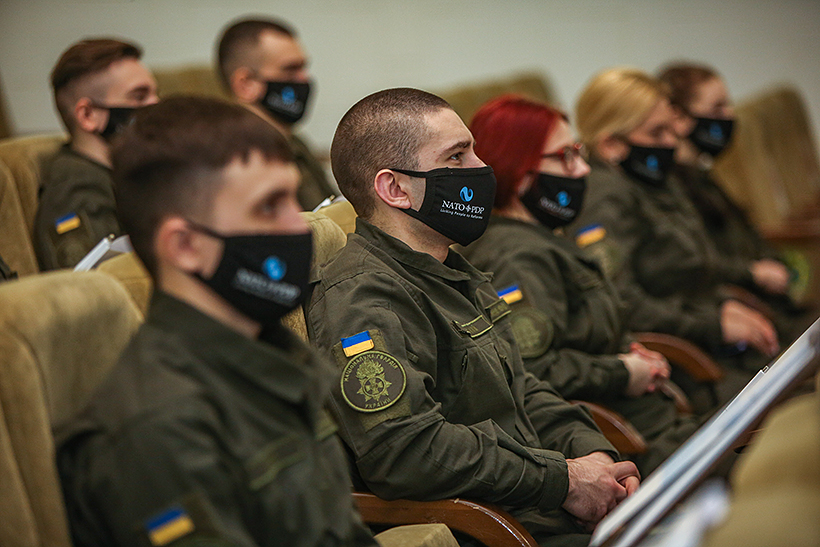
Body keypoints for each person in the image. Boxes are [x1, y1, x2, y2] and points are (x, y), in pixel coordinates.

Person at [306, 87, 640, 547]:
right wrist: (561, 480)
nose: (482, 169)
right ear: (395, 189)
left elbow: (523, 389)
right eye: (457, 156)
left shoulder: (453, 270)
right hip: (494, 528)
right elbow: (406, 451)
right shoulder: (364, 298)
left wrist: (594, 456)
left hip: (541, 509)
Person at [56, 96, 378, 547]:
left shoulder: (274, 353)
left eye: (292, 198)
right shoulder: (158, 427)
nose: (298, 226)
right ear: (185, 246)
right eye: (269, 207)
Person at [461, 95, 698, 475]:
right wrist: (620, 371)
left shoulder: (543, 238)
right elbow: (532, 369)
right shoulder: (517, 256)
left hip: (650, 421)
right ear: (520, 173)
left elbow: (581, 334)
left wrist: (626, 351)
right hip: (626, 441)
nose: (583, 169)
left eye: (580, 153)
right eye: (566, 157)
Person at [569, 68, 779, 408]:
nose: (673, 140)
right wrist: (712, 323)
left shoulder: (655, 180)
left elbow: (693, 271)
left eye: (672, 127)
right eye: (657, 132)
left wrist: (723, 304)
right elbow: (622, 304)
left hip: (708, 338)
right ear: (611, 144)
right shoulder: (603, 198)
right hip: (676, 364)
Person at [659, 62, 813, 337]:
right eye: (717, 108)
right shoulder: (672, 189)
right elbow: (700, 264)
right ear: (679, 118)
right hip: (747, 313)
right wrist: (753, 272)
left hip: (770, 306)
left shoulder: (702, 175)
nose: (729, 116)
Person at [35, 38, 159, 270]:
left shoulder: (124, 173)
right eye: (139, 96)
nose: (156, 104)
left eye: (155, 94)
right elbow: (88, 280)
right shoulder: (76, 186)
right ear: (88, 115)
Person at [217, 17, 337, 211]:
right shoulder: (239, 158)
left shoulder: (295, 142)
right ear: (245, 84)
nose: (304, 79)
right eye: (290, 69)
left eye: (303, 67)